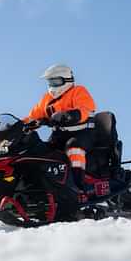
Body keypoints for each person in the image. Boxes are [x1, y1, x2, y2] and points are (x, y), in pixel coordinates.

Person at [24, 64, 96, 194]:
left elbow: (86, 109)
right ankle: (41, 186)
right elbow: (33, 115)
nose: (53, 85)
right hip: (59, 136)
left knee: (74, 148)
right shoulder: (47, 99)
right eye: (50, 81)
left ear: (67, 80)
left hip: (82, 133)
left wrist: (71, 115)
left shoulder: (78, 91)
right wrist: (19, 125)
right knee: (41, 152)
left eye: (56, 81)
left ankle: (78, 185)